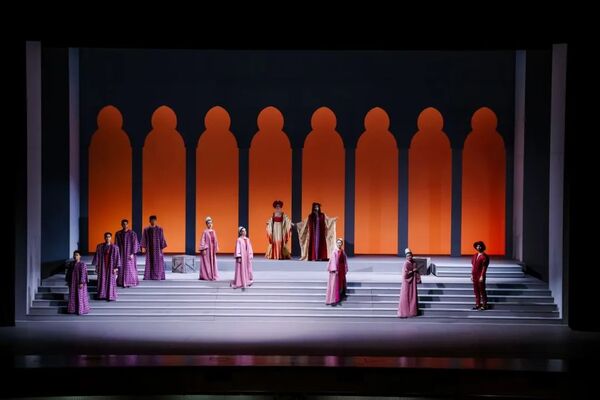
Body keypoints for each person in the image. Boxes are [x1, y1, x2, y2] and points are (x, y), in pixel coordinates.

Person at [92, 232, 121, 301]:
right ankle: (102, 295)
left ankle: (110, 295)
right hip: (102, 266)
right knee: (102, 280)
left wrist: (116, 267)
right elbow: (97, 256)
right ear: (104, 238)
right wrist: (96, 267)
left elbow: (117, 257)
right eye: (106, 237)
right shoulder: (100, 247)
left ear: (111, 238)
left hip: (111, 266)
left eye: (109, 237)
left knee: (111, 281)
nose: (107, 238)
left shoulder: (115, 247)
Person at [115, 219, 140, 288]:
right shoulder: (118, 233)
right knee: (121, 267)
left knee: (130, 268)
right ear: (121, 225)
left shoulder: (132, 233)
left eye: (126, 224)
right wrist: (117, 254)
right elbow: (116, 244)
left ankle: (131, 281)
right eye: (123, 224)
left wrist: (132, 253)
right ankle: (121, 282)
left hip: (130, 253)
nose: (125, 225)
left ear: (128, 224)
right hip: (121, 254)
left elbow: (135, 244)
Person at [141, 215, 167, 280]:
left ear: (156, 221)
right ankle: (149, 276)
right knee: (149, 261)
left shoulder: (159, 229)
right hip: (149, 248)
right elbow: (144, 238)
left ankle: (158, 276)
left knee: (158, 262)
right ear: (149, 221)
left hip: (158, 248)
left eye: (154, 220)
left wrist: (162, 247)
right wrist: (143, 247)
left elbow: (162, 238)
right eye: (152, 220)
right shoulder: (146, 229)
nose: (153, 221)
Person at [398, 248, 420, 318]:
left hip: (412, 280)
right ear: (406, 257)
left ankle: (412, 311)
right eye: (408, 256)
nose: (409, 257)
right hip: (407, 282)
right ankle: (405, 312)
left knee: (412, 295)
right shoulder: (406, 263)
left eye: (410, 255)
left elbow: (416, 270)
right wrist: (413, 271)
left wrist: (416, 274)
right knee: (406, 295)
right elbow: (405, 274)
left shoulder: (414, 262)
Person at [66, 250, 90, 315]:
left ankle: (81, 310)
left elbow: (83, 274)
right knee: (73, 295)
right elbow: (68, 273)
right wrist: (68, 281)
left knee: (80, 295)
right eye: (74, 255)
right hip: (73, 282)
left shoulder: (82, 264)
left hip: (79, 282)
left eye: (77, 255)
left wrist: (81, 282)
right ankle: (72, 310)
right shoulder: (71, 264)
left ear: (80, 256)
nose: (75, 256)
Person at [326, 238, 348, 305]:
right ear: (336, 243)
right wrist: (335, 269)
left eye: (340, 243)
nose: (339, 244)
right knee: (335, 284)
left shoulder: (342, 251)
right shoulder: (334, 252)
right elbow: (332, 261)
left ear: (342, 244)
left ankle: (341, 296)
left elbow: (345, 260)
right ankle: (334, 299)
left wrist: (345, 268)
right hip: (337, 269)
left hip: (342, 269)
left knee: (342, 282)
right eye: (338, 243)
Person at [199, 216, 219, 281]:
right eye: (208, 223)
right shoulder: (205, 232)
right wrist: (204, 249)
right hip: (207, 249)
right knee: (207, 263)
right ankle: (207, 275)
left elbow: (215, 241)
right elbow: (202, 240)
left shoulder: (214, 231)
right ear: (206, 224)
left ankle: (213, 275)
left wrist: (216, 248)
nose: (210, 224)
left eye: (211, 223)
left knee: (213, 262)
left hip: (212, 249)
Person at [471, 241, 490, 310]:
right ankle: (477, 304)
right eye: (477, 246)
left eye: (479, 246)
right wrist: (471, 275)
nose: (478, 247)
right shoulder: (475, 255)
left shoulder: (485, 256)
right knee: (476, 291)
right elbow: (473, 266)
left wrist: (482, 276)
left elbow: (484, 268)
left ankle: (485, 305)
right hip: (475, 275)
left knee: (482, 290)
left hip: (480, 275)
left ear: (482, 247)